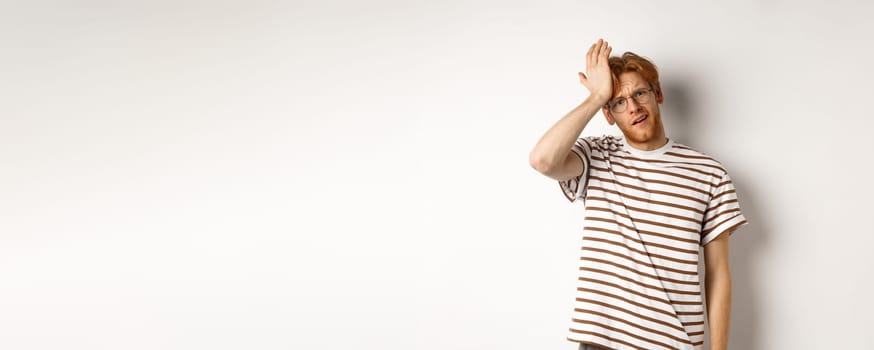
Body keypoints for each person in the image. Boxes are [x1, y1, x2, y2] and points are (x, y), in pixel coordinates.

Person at [528, 39, 747, 350]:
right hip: (603, 344)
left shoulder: (709, 173)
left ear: (657, 94)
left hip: (675, 344)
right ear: (609, 114)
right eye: (618, 102)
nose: (632, 107)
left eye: (640, 93)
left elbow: (719, 274)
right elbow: (542, 160)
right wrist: (595, 97)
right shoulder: (597, 155)